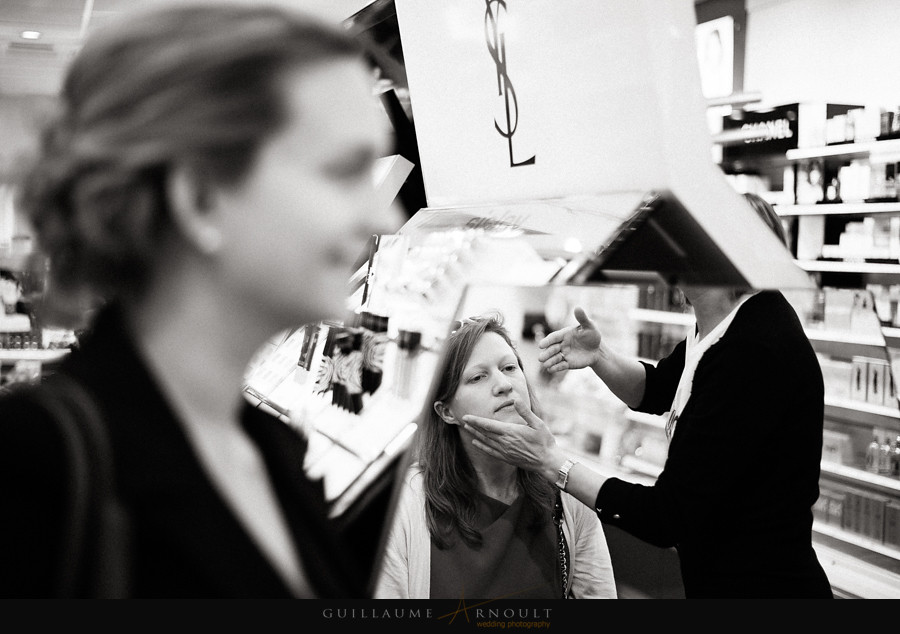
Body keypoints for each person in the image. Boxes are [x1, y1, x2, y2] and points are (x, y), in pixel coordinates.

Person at [0, 1, 402, 598]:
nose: (384, 216)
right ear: (201, 199)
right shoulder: (34, 472)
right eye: (343, 172)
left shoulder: (275, 450)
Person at [462, 195, 834, 599]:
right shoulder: (717, 327)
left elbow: (667, 517)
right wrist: (598, 356)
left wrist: (553, 462)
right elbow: (657, 388)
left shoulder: (755, 349)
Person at [374, 313, 617, 599]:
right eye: (477, 377)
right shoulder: (407, 504)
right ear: (446, 412)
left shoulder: (568, 492)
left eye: (510, 367)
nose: (504, 384)